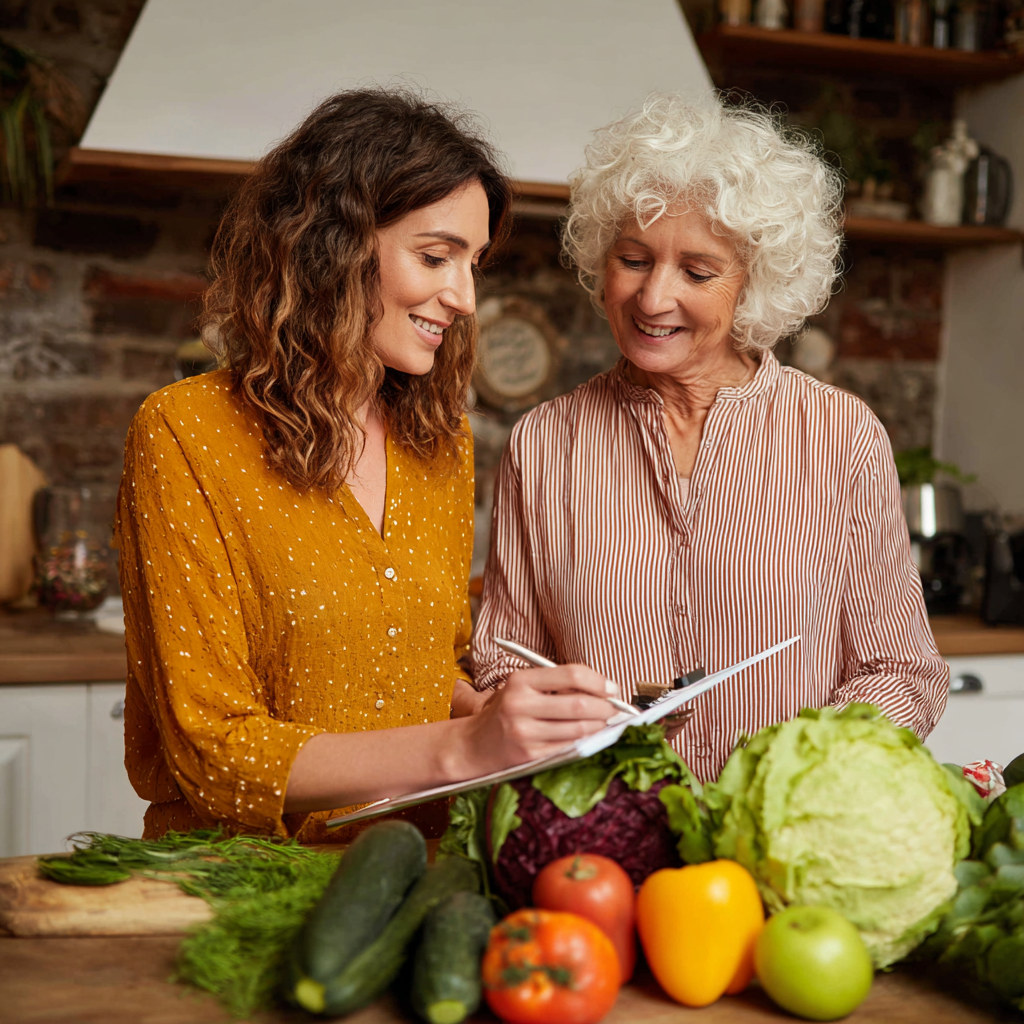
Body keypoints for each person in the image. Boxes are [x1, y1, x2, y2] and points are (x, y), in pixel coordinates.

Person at [116, 90, 619, 842]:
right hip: (243, 889)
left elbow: (423, 661)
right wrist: (462, 747)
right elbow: (213, 750)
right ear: (334, 245)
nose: (465, 298)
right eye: (435, 256)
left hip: (415, 867)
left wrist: (489, 714)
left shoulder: (441, 440)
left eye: (474, 263)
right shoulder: (185, 433)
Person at [471, 93, 949, 783]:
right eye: (633, 259)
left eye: (697, 272)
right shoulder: (544, 443)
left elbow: (899, 671)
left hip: (778, 844)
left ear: (753, 284)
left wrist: (789, 778)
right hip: (607, 842)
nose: (653, 298)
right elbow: (504, 665)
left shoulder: (840, 436)